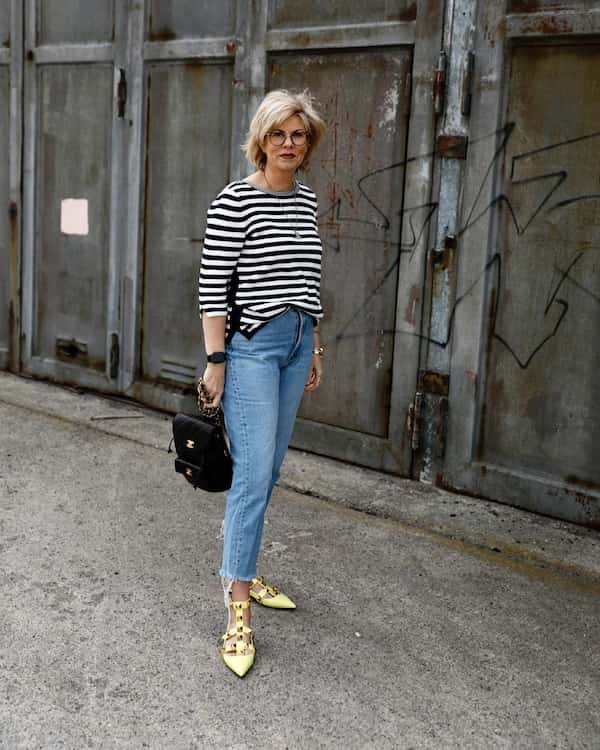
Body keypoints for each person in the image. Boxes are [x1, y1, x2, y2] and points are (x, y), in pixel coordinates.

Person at [197, 89, 326, 677]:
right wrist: (216, 361)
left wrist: (315, 344)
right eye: (279, 134)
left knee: (268, 470)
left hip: (297, 343)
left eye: (298, 135)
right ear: (261, 139)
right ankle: (238, 608)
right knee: (250, 476)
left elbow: (308, 277)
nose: (289, 145)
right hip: (251, 349)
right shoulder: (234, 202)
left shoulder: (306, 200)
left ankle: (239, 565)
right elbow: (211, 290)